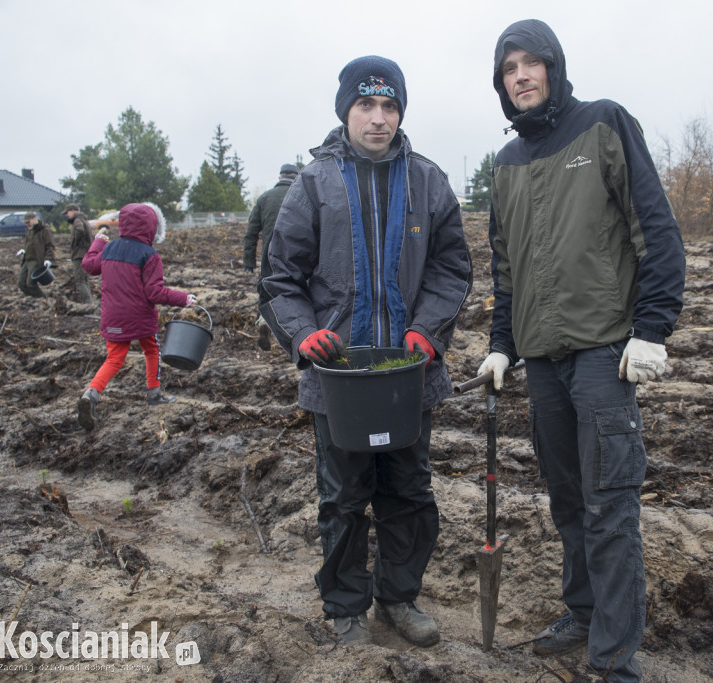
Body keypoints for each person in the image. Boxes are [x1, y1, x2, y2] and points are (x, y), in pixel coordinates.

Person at [477, 19, 686, 682]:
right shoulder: (505, 165)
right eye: (509, 68)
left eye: (531, 63)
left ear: (553, 68)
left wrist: (652, 327)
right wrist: (500, 346)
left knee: (611, 502)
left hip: (604, 352)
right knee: (567, 497)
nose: (521, 76)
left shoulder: (603, 124)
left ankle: (614, 658)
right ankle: (584, 610)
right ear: (500, 83)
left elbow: (655, 229)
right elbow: (505, 269)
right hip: (542, 360)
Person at [259, 55, 472, 648]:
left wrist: (428, 330)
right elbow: (279, 279)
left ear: (400, 111)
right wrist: (303, 337)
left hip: (409, 375)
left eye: (389, 105)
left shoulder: (428, 181)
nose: (378, 118)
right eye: (365, 105)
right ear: (346, 110)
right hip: (340, 377)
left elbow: (453, 268)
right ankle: (346, 605)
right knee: (344, 497)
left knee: (408, 491)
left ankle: (398, 599)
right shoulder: (314, 182)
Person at [76, 203, 196, 432]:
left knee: (114, 359)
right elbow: (155, 293)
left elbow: (89, 265)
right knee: (151, 350)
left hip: (112, 317)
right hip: (140, 317)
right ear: (152, 227)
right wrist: (184, 298)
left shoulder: (109, 249)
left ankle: (91, 394)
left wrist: (98, 241)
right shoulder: (149, 255)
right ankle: (154, 394)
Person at [242, 163, 299, 350]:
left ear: (279, 178)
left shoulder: (264, 198)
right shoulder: (301, 194)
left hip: (269, 256)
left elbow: (251, 233)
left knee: (268, 293)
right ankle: (296, 336)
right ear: (296, 177)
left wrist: (248, 262)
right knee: (297, 295)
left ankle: (265, 322)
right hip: (297, 256)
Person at [16, 212, 56, 298]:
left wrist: (48, 259)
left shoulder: (44, 230)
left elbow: (50, 246)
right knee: (21, 283)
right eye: (26, 223)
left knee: (30, 284)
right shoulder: (30, 230)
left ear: (34, 219)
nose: (27, 224)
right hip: (27, 259)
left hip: (36, 260)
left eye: (28, 222)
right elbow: (29, 244)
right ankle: (31, 298)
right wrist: (24, 250)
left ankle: (42, 299)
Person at [65, 203, 94, 303]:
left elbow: (80, 231)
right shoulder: (83, 219)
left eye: (67, 212)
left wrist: (75, 243)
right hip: (85, 254)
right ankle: (89, 302)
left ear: (73, 211)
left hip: (79, 256)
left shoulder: (77, 221)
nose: (66, 215)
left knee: (80, 281)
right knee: (84, 280)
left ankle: (88, 303)